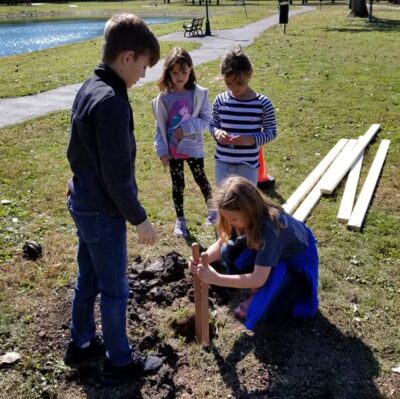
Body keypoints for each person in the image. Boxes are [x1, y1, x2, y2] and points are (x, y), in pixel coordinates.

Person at [64, 14, 162, 386]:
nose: (143, 75)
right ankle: (119, 360)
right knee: (116, 288)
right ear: (126, 57)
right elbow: (117, 176)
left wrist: (76, 182)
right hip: (103, 211)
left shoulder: (89, 86)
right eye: (143, 66)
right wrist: (139, 218)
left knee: (88, 274)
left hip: (82, 201)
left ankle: (82, 341)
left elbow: (77, 148)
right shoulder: (112, 103)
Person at [189, 176, 319, 330]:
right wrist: (204, 258)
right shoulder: (246, 217)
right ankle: (252, 286)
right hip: (268, 248)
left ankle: (274, 291)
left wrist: (216, 278)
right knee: (228, 249)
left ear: (249, 210)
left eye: (233, 219)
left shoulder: (271, 229)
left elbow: (257, 278)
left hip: (296, 264)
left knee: (267, 314)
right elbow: (223, 241)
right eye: (225, 218)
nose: (229, 222)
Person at [152, 47, 216, 238]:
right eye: (175, 73)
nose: (180, 77)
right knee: (177, 185)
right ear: (168, 73)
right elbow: (160, 127)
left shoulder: (199, 94)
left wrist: (187, 128)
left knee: (201, 179)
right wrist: (162, 150)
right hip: (174, 152)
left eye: (184, 72)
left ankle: (213, 210)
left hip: (193, 149)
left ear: (191, 71)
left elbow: (206, 120)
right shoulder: (163, 98)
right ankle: (180, 220)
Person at [209, 47, 277, 187]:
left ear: (249, 74)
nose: (234, 88)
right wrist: (217, 133)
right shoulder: (220, 100)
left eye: (239, 83)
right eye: (228, 83)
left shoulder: (262, 103)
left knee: (245, 203)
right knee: (224, 201)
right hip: (222, 163)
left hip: (248, 165)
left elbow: (271, 132)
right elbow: (212, 124)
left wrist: (251, 139)